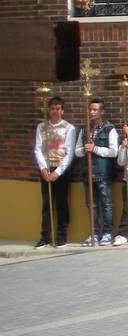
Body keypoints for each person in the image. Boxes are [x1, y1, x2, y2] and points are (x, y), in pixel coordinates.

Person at [34, 96, 75, 249]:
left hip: (61, 169)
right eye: (52, 109)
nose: (55, 112)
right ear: (49, 110)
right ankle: (45, 236)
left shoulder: (68, 128)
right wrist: (43, 169)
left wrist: (57, 172)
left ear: (62, 111)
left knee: (61, 203)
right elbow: (38, 149)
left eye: (58, 109)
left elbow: (69, 152)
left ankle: (61, 236)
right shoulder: (41, 127)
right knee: (47, 203)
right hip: (46, 167)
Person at [75, 97, 118, 246]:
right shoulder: (84, 129)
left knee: (106, 204)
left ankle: (106, 233)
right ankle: (94, 233)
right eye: (90, 109)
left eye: (95, 109)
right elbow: (77, 152)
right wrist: (85, 148)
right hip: (87, 173)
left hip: (103, 172)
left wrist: (95, 149)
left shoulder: (109, 129)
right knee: (91, 205)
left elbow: (113, 151)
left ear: (102, 112)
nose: (91, 112)